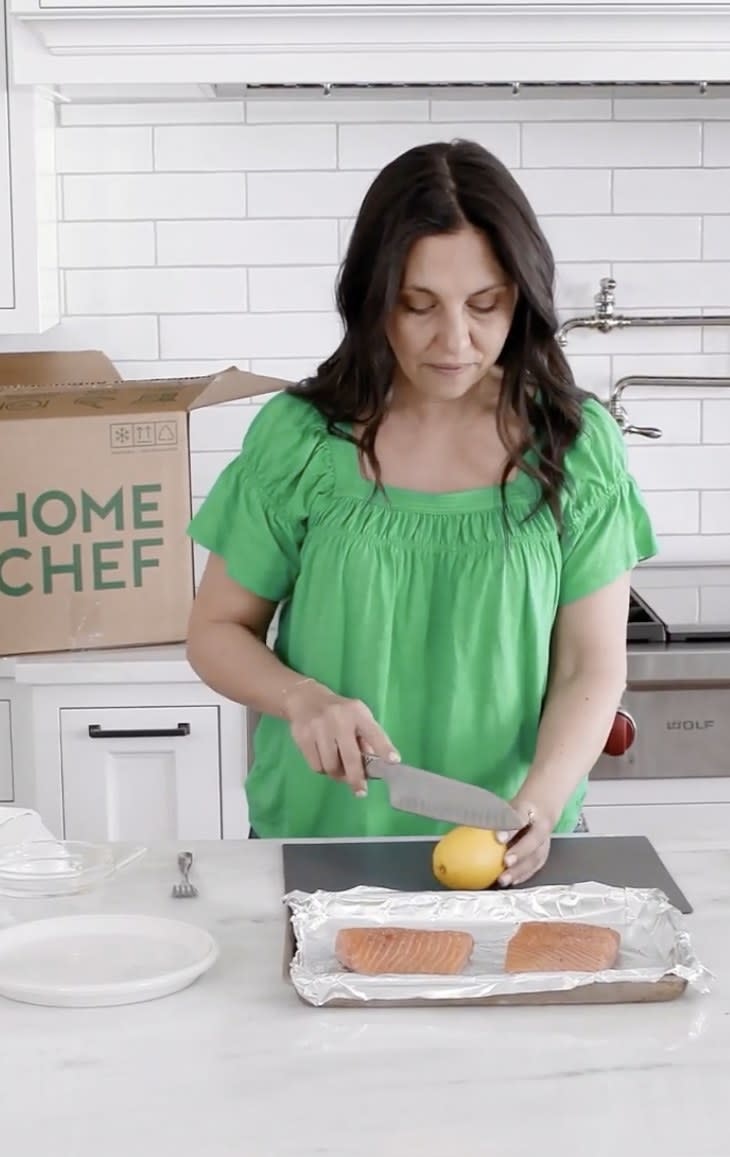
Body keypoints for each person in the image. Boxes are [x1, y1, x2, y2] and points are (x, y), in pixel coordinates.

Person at [185, 138, 657, 886]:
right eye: (418, 306)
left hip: (513, 845)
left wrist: (541, 798)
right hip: (319, 840)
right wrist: (300, 698)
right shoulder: (302, 439)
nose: (454, 341)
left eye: (485, 305)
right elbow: (215, 630)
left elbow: (590, 664)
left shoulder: (575, 446)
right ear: (376, 299)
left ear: (520, 297)